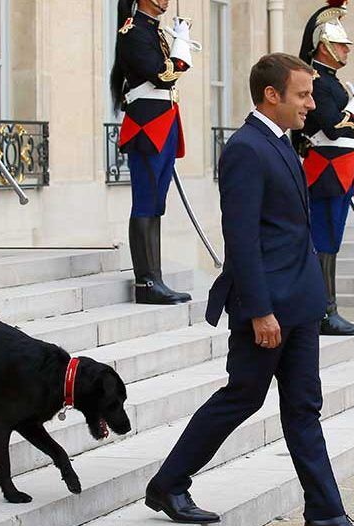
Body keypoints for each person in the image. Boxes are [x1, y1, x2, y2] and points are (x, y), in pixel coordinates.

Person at [144, 53, 354, 526]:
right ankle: (168, 484)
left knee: (301, 409)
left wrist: (310, 302)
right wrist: (259, 310)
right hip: (267, 310)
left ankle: (325, 515)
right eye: (303, 95)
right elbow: (242, 239)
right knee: (243, 397)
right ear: (271, 95)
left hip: (297, 305)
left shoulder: (280, 143)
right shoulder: (245, 150)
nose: (312, 104)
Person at [292, 0, 354, 336]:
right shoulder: (318, 81)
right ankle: (325, 311)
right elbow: (332, 126)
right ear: (323, 46)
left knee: (330, 242)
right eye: (341, 45)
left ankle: (328, 308)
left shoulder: (332, 81)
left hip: (339, 168)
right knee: (324, 240)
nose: (346, 50)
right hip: (326, 168)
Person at [110, 0, 194, 305]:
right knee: (145, 202)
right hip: (147, 126)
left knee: (157, 203)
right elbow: (163, 74)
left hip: (164, 121)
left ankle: (155, 276)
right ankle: (145, 282)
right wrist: (181, 46)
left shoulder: (154, 32)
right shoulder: (132, 32)